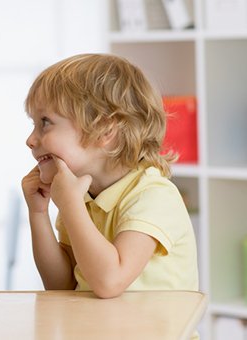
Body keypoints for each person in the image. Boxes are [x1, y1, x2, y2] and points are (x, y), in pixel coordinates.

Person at [21, 53, 199, 299]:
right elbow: (61, 286)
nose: (30, 140)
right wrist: (38, 213)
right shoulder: (80, 199)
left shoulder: (153, 196)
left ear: (105, 131)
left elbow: (110, 282)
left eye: (45, 123)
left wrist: (71, 205)